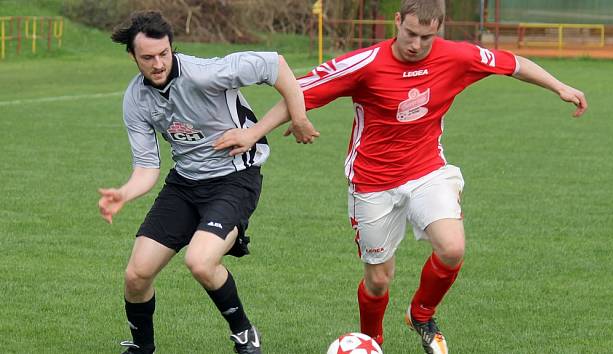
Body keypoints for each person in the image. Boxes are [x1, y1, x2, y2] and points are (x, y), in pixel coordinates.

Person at [214, 0, 588, 353]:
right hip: (372, 181)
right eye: (410, 33)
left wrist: (561, 87)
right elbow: (300, 89)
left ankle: (420, 315)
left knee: (453, 247)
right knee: (379, 280)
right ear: (397, 22)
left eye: (426, 37)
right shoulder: (365, 63)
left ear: (438, 29)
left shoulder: (457, 56)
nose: (416, 44)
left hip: (428, 170)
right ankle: (371, 340)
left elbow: (514, 64)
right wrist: (253, 132)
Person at [98, 10, 318, 354]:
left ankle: (244, 333)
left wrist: (284, 123)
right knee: (136, 275)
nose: (157, 64)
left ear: (172, 49)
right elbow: (146, 168)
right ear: (132, 56)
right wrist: (123, 194)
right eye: (147, 57)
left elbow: (276, 64)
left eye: (163, 54)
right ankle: (142, 348)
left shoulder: (205, 73)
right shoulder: (136, 99)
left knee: (200, 262)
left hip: (235, 178)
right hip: (185, 184)